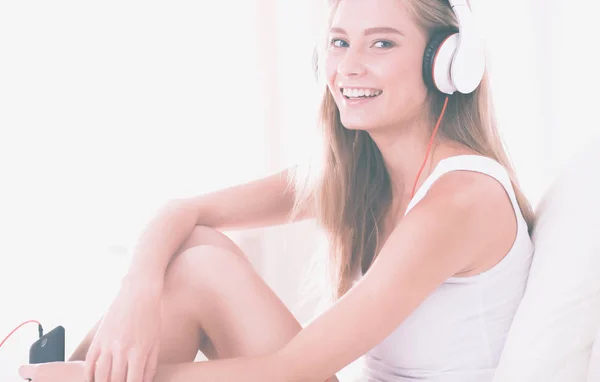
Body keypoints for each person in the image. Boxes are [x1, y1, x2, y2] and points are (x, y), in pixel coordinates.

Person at [19, 0, 535, 381]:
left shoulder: (462, 198)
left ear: (446, 63)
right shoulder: (361, 175)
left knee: (202, 267)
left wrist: (116, 374)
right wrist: (138, 291)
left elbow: (296, 368)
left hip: (300, 372)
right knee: (196, 249)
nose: (348, 66)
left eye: (381, 42)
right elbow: (184, 210)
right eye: (338, 41)